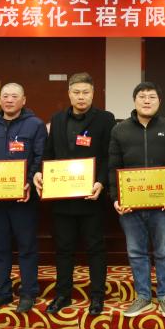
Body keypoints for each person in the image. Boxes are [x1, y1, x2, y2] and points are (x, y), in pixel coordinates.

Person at [33, 73, 115, 316]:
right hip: (62, 197)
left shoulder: (105, 119)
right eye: (76, 92)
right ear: (69, 94)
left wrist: (101, 182)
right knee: (63, 248)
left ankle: (97, 296)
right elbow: (49, 153)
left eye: (86, 92)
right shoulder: (57, 119)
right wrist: (40, 172)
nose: (81, 97)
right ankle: (63, 295)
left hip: (91, 197)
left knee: (95, 248)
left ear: (93, 94)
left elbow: (109, 155)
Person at [0, 82, 46, 313]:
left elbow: (40, 157)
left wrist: (29, 180)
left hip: (23, 199)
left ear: (24, 100)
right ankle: (2, 292)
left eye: (14, 96)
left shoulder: (35, 125)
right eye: (5, 96)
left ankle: (28, 292)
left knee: (26, 247)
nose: (9, 100)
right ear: (0, 99)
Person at [108, 81, 165, 318]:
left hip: (162, 204)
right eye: (142, 96)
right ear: (134, 100)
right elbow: (113, 166)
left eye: (152, 97)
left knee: (164, 252)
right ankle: (143, 296)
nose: (147, 101)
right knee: (136, 252)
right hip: (131, 204)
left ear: (159, 101)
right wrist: (116, 198)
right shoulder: (120, 130)